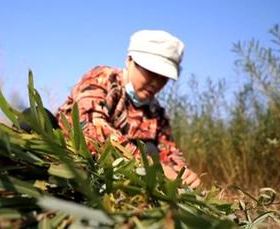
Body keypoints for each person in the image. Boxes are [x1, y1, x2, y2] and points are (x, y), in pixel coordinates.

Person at [55, 30, 201, 188]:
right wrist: (151, 166)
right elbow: (88, 128)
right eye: (150, 72)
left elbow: (168, 151)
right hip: (70, 152)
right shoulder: (105, 79)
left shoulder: (155, 113)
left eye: (163, 77)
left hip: (120, 169)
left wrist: (182, 174)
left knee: (151, 149)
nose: (156, 83)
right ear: (129, 60)